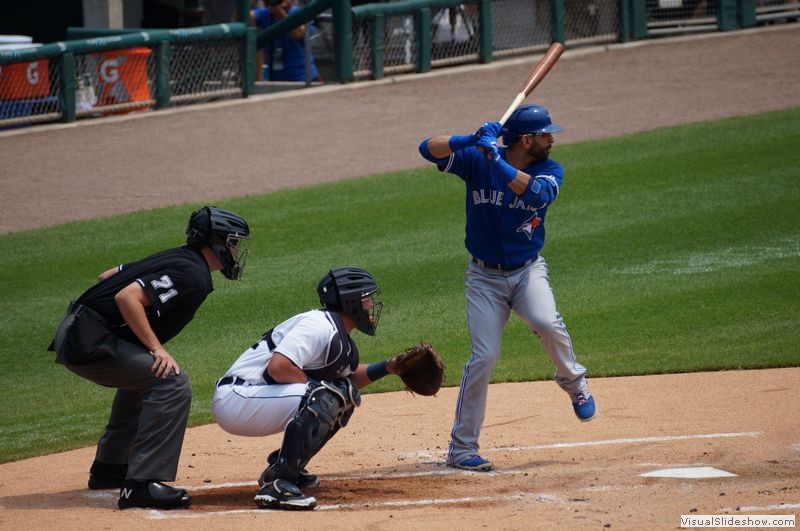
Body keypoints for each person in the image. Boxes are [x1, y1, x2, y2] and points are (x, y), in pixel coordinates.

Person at [417, 104, 597, 472]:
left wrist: (495, 159)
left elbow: (536, 196)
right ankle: (462, 449)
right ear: (526, 139)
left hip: (528, 272)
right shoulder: (478, 159)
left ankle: (573, 381)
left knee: (546, 322)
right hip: (483, 278)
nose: (552, 140)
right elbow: (426, 149)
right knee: (483, 358)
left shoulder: (549, 170)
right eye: (545, 134)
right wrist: (470, 139)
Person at [48, 206, 250, 509]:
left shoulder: (179, 257)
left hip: (79, 329)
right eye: (233, 242)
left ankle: (110, 468)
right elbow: (126, 296)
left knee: (147, 377)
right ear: (217, 242)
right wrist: (155, 348)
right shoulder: (191, 273)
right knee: (171, 382)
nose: (236, 250)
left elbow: (109, 275)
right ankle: (141, 485)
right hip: (89, 341)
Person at [212, 266, 401, 510]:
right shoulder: (318, 325)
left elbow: (350, 381)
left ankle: (288, 466)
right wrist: (318, 389)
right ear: (350, 301)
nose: (371, 305)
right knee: (324, 396)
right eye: (367, 298)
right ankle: (277, 483)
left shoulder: (340, 337)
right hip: (237, 398)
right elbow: (278, 367)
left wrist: (389, 367)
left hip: (258, 398)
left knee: (343, 395)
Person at [249, 0, 321, 82]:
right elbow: (245, 17)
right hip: (275, 80)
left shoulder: (301, 12)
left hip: (303, 78)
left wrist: (280, 13)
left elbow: (297, 34)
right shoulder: (265, 13)